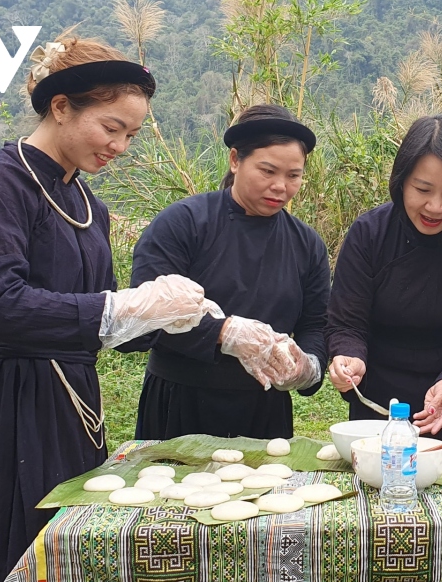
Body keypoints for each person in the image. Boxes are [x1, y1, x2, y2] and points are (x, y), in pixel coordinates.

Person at [0, 35, 216, 582]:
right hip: (15, 400)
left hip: (77, 403)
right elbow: (3, 305)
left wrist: (196, 322)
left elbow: (103, 323)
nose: (119, 146)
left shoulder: (87, 203)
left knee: (70, 559)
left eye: (130, 134)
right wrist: (125, 306)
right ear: (59, 108)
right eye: (111, 127)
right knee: (12, 554)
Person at [130, 104, 330, 440]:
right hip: (181, 402)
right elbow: (142, 316)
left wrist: (308, 366)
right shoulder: (183, 224)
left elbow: (316, 323)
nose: (281, 186)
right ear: (235, 160)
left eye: (293, 175)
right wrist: (223, 332)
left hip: (264, 409)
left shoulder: (307, 244)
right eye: (267, 171)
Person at [326, 115, 442, 440]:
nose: (435, 207)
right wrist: (348, 355)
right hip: (379, 412)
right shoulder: (369, 234)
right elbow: (348, 323)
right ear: (401, 180)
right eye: (422, 189)